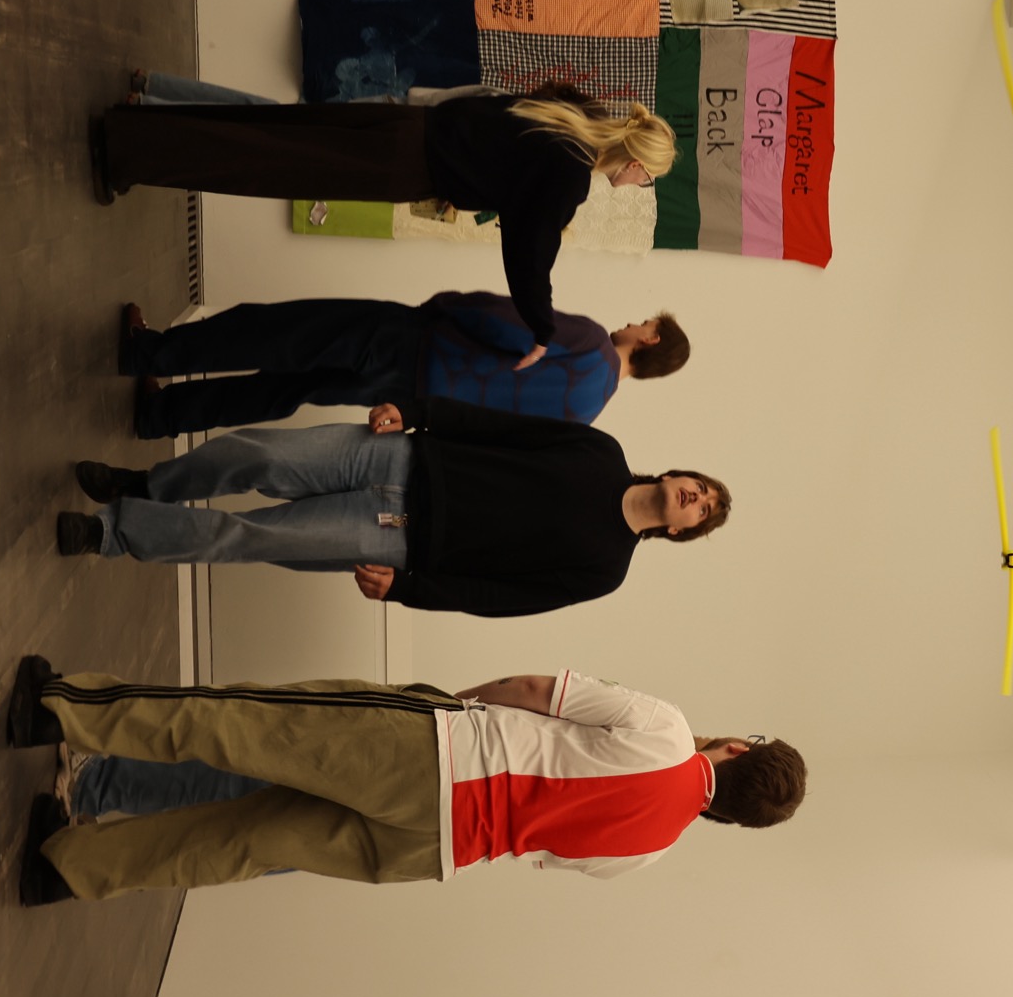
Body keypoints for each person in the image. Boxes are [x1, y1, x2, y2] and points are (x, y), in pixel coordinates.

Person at [6, 655, 807, 903]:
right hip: (434, 853)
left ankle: (58, 711)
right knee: (235, 846)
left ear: (738, 750)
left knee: (236, 722)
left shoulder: (669, 733)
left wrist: (450, 706)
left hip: (431, 760)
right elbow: (551, 855)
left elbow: (538, 692)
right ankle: (64, 872)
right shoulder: (651, 852)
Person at [91, 87, 678, 363]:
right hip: (402, 166)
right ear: (633, 165)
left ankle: (133, 130)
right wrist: (542, 326)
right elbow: (530, 252)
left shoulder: (571, 113)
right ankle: (125, 151)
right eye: (646, 179)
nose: (637, 187)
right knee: (261, 160)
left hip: (402, 126)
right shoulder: (571, 173)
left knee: (268, 131)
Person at [54, 396, 731, 616]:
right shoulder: (600, 451)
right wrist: (418, 408)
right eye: (699, 487)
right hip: (399, 457)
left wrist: (410, 590)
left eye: (700, 510)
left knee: (242, 536)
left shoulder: (605, 569)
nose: (694, 498)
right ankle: (144, 485)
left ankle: (113, 532)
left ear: (677, 530)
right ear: (677, 474)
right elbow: (503, 425)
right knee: (253, 453)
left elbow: (496, 597)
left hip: (396, 537)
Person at [120, 295, 689, 438]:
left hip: (414, 344)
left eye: (643, 323)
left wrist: (442, 306)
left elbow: (505, 321)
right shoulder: (585, 415)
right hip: (412, 396)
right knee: (285, 389)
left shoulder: (590, 341)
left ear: (651, 337)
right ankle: (160, 416)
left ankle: (151, 353)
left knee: (276, 334)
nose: (633, 324)